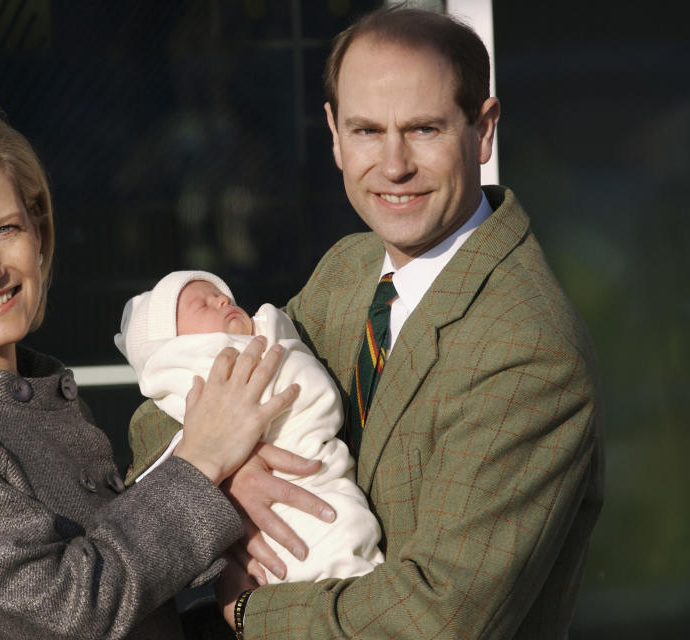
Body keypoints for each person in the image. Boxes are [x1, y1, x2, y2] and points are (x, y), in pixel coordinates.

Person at [128, 7, 605, 638]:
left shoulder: (526, 351)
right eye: (366, 131)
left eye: (424, 129)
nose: (394, 164)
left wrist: (246, 613)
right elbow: (171, 396)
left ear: (483, 130)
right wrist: (228, 470)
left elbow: (436, 619)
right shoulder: (349, 270)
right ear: (332, 133)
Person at [0, 107, 305, 639]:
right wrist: (202, 462)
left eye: (5, 229)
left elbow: (129, 604)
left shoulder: (39, 397)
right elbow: (67, 613)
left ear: (38, 233)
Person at [114, 270, 384, 584]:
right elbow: (160, 437)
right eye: (203, 305)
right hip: (290, 509)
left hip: (322, 475)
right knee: (326, 544)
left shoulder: (274, 332)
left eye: (223, 296)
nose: (221, 300)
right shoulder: (193, 372)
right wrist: (217, 475)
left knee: (347, 533)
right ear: (172, 346)